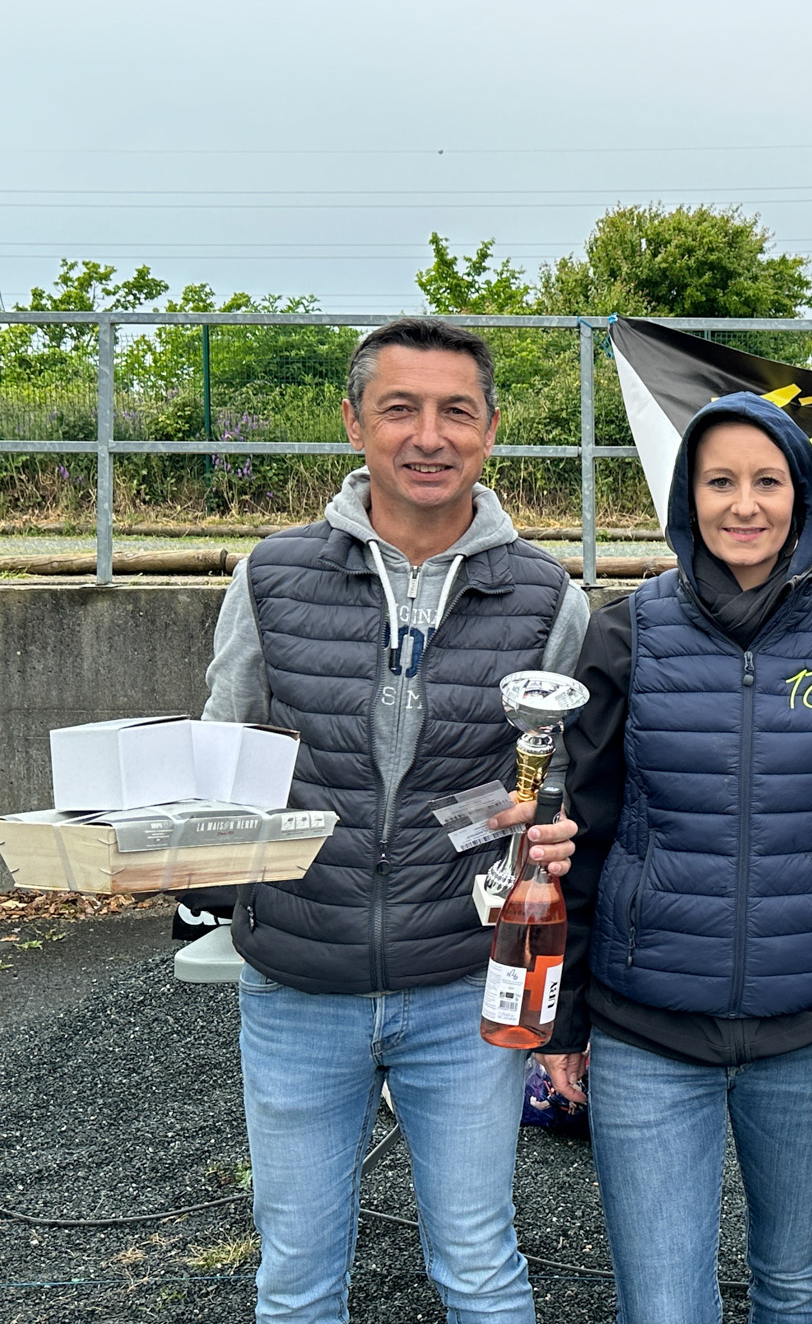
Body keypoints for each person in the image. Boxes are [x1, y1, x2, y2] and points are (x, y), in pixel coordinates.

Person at [203, 316, 590, 1323]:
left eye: (456, 411)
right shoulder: (271, 574)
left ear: (491, 429)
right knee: (295, 1282)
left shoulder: (548, 596)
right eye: (399, 409)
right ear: (353, 422)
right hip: (298, 983)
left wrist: (540, 826)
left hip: (463, 984)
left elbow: (546, 789)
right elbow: (225, 754)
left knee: (480, 1266)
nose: (429, 436)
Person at [538, 393, 812, 1324]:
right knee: (664, 1304)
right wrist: (563, 1018)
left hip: (806, 1037)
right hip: (647, 1035)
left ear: (804, 496)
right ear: (687, 498)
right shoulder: (625, 635)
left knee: (797, 1288)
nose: (744, 505)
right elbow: (580, 840)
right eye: (719, 482)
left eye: (767, 482)